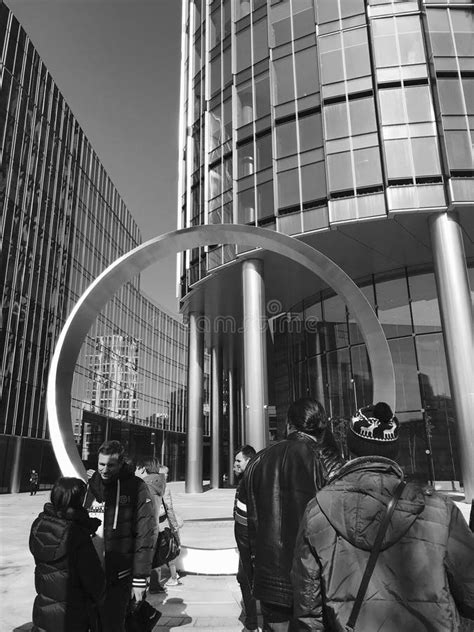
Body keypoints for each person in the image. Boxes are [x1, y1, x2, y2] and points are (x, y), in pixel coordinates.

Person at [291, 402, 474, 631]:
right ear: (395, 450)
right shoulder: (440, 510)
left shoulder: (318, 511)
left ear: (350, 447)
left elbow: (307, 610)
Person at [240, 397, 343, 631]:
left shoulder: (258, 461)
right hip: (320, 584)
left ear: (289, 425)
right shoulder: (329, 461)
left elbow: (243, 528)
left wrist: (254, 576)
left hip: (271, 586)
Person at [84, 440, 157, 632]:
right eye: (101, 464)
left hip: (120, 574)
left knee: (114, 625)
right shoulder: (90, 486)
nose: (105, 469)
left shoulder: (136, 487)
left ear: (121, 463)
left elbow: (146, 533)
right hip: (91, 573)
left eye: (111, 465)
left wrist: (140, 578)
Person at [29, 476, 106, 632]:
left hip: (43, 608)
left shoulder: (40, 524)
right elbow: (94, 580)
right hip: (73, 613)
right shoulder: (76, 533)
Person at [233, 445, 259, 632]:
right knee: (244, 577)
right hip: (246, 542)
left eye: (238, 461)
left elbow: (248, 517)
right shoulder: (246, 481)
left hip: (249, 543)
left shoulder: (250, 483)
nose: (235, 464)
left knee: (245, 577)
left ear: (248, 461)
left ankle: (252, 623)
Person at [134, 456, 167, 593]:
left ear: (142, 469)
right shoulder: (158, 484)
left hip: (143, 528)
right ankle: (153, 584)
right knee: (151, 558)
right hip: (153, 526)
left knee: (141, 561)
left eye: (136, 468)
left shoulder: (144, 487)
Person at [159, 464, 182, 586]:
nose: (167, 475)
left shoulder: (152, 486)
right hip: (164, 525)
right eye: (164, 473)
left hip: (158, 525)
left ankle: (156, 582)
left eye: (167, 473)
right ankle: (173, 577)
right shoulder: (164, 488)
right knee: (170, 551)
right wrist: (174, 526)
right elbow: (169, 509)